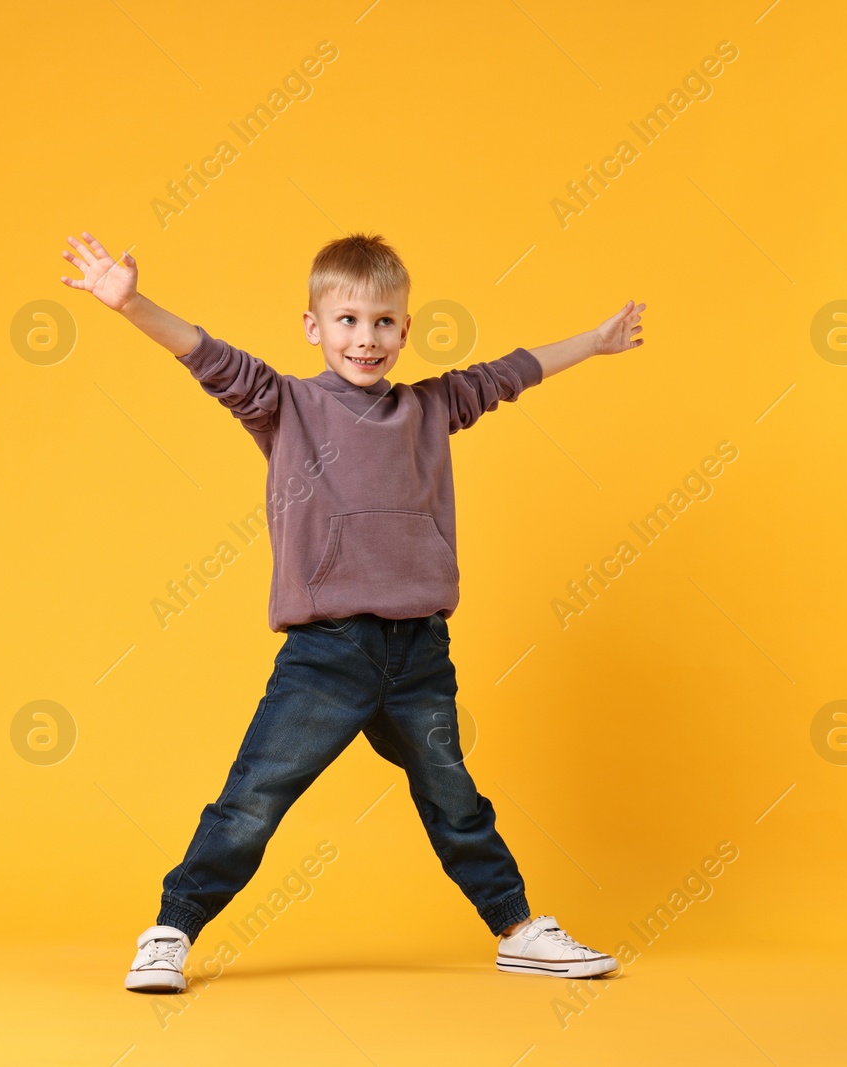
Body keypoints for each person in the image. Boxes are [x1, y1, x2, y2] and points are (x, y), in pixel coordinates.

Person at [58, 230, 645, 992]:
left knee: (453, 795)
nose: (365, 339)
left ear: (406, 329)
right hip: (327, 654)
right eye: (347, 321)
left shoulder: (432, 406)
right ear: (313, 326)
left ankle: (518, 927)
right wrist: (133, 303)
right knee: (254, 796)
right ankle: (173, 925)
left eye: (383, 323)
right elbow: (208, 355)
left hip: (419, 652)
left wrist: (594, 343)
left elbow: (509, 373)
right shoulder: (287, 406)